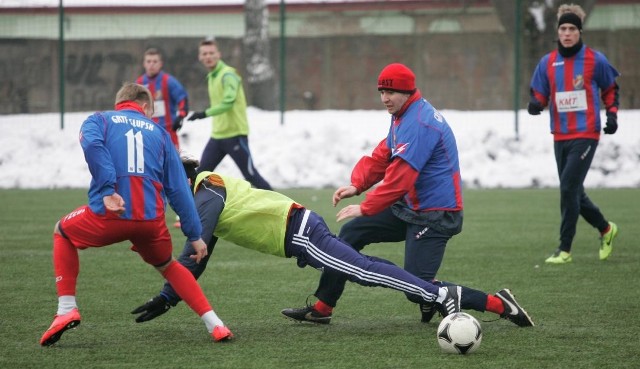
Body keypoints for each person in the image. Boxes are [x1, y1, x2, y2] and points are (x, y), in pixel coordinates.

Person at [281, 63, 534, 327]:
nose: (384, 99)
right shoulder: (404, 114)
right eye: (381, 92)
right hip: (410, 207)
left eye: (390, 92)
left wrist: (367, 207)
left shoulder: (420, 123)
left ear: (406, 91)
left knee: (417, 287)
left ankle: (499, 304)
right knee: (350, 235)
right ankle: (323, 307)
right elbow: (384, 153)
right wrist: (358, 184)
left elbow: (401, 177)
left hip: (435, 214)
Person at [130, 157, 464, 324]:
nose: (167, 193)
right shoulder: (205, 196)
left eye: (168, 185)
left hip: (301, 232)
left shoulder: (206, 187)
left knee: (364, 270)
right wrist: (170, 298)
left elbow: (195, 245)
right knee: (366, 267)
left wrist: (167, 293)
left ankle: (438, 293)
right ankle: (444, 293)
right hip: (301, 230)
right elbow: (197, 258)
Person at [39, 83, 232, 347]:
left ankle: (66, 309)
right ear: (144, 106)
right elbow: (178, 188)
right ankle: (216, 324)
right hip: (151, 222)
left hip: (112, 214)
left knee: (62, 231)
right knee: (169, 266)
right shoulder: (161, 134)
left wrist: (107, 188)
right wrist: (195, 234)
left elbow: (93, 146)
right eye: (151, 111)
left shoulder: (98, 120)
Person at [527, 4, 620, 264]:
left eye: (572, 29)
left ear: (579, 31)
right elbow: (540, 93)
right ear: (558, 32)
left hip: (586, 133)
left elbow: (611, 89)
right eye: (563, 29)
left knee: (568, 187)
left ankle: (564, 250)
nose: (567, 33)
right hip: (560, 134)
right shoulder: (547, 62)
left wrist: (612, 115)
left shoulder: (594, 60)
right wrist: (535, 104)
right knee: (574, 191)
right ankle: (605, 228)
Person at [186, 38, 271, 190]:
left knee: (251, 175)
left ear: (218, 54)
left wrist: (203, 114)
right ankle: (190, 212)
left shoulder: (228, 75)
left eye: (211, 53)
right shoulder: (212, 76)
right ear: (200, 57)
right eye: (204, 54)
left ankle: (287, 209)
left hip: (235, 136)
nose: (208, 56)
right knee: (200, 175)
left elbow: (228, 102)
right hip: (217, 137)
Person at [136, 47, 189, 149]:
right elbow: (131, 105)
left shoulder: (169, 81)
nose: (151, 64)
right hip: (146, 133)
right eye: (149, 61)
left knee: (174, 163)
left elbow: (183, 99)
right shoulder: (139, 83)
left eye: (155, 61)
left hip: (168, 132)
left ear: (161, 64)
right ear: (144, 64)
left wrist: (181, 116)